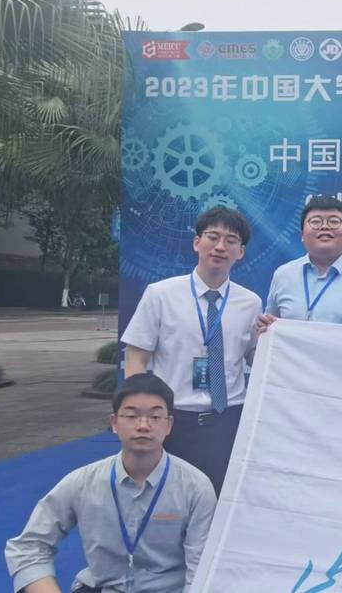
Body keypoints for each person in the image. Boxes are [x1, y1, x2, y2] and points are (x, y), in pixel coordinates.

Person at [5, 374, 216, 593]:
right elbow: (28, 547)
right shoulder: (83, 482)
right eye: (131, 416)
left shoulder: (196, 487)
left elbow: (201, 569)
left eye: (155, 417)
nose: (143, 425)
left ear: (169, 425)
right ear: (114, 423)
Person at [122, 206, 262, 494]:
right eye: (213, 237)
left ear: (240, 252)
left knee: (221, 499)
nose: (220, 246)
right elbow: (136, 356)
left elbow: (255, 358)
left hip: (228, 420)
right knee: (167, 499)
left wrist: (271, 337)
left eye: (231, 240)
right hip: (174, 420)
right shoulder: (160, 294)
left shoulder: (251, 303)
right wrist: (139, 414)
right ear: (197, 242)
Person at [257, 196, 342, 332]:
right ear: (302, 235)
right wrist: (264, 326)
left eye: (334, 222)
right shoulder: (283, 275)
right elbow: (271, 328)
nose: (324, 226)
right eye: (315, 222)